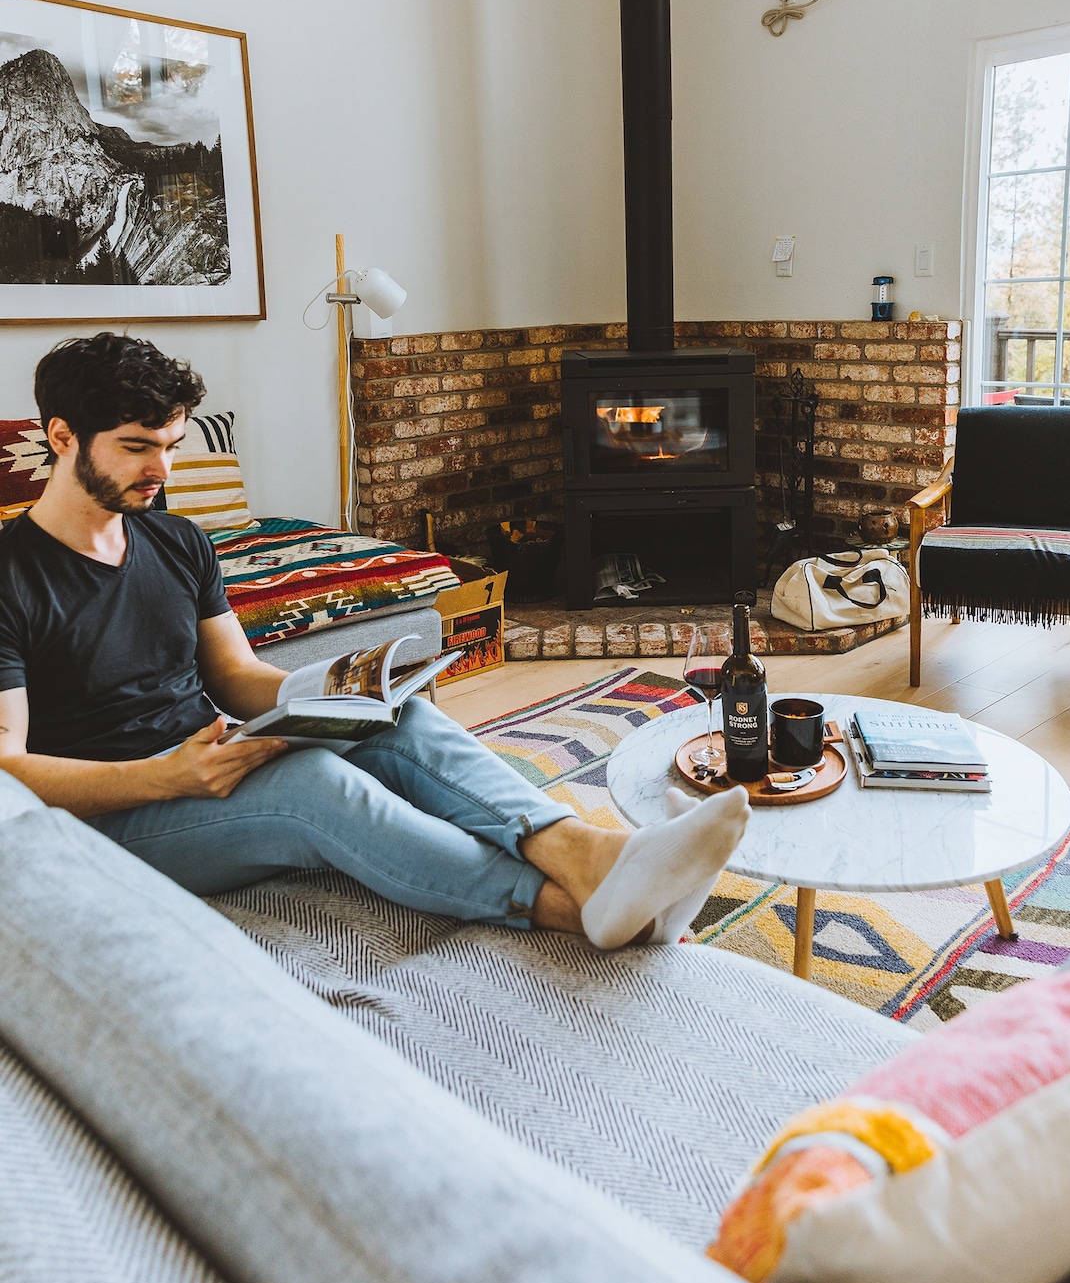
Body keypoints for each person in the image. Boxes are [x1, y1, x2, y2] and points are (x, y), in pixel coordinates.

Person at [0, 334, 749, 949]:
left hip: (213, 753)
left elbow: (234, 674)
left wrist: (335, 689)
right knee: (314, 789)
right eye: (137, 447)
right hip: (115, 817)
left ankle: (589, 856)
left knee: (406, 719)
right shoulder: (12, 576)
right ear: (61, 437)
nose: (162, 470)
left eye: (172, 443)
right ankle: (566, 905)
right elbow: (7, 767)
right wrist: (167, 777)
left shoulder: (176, 541)